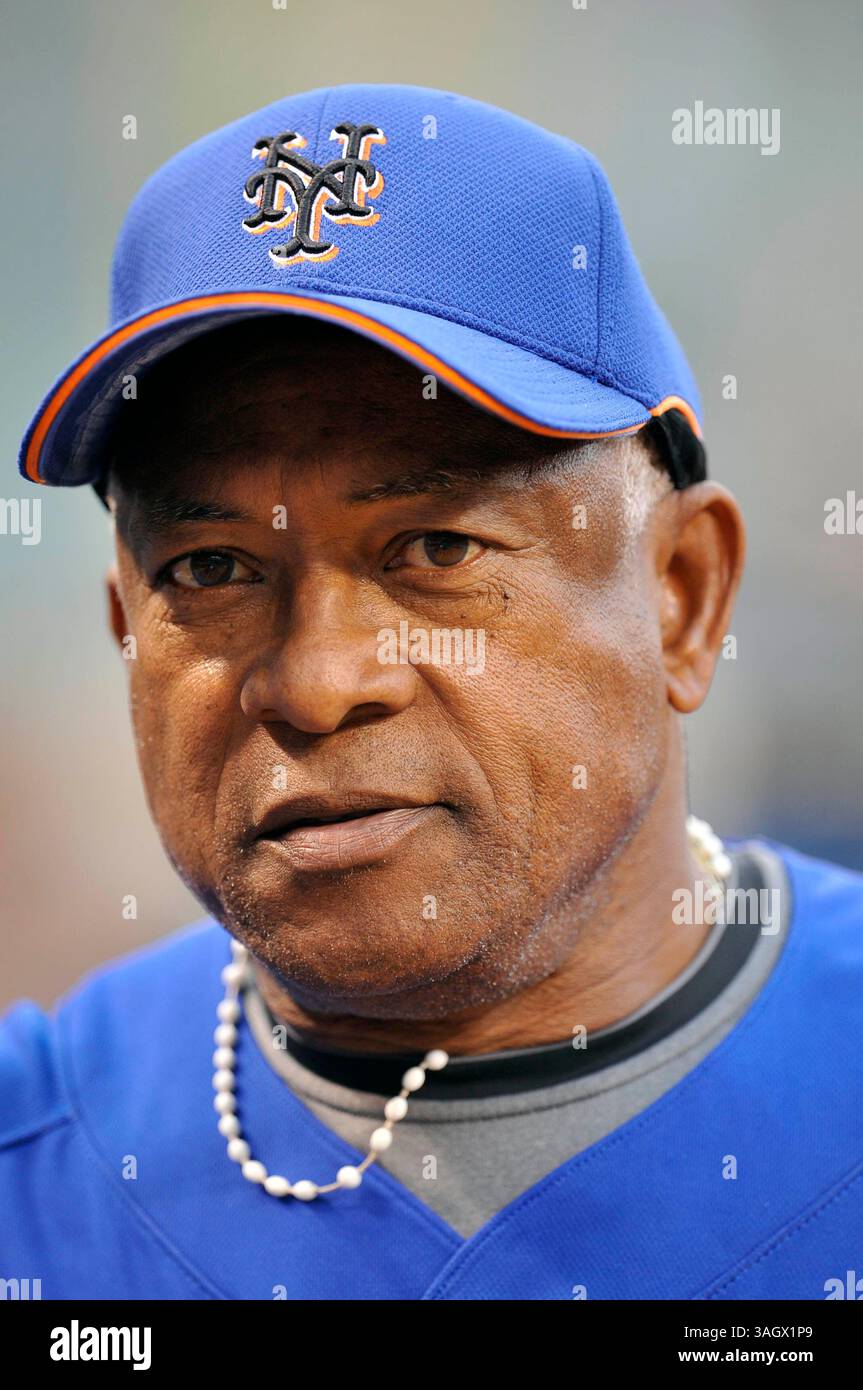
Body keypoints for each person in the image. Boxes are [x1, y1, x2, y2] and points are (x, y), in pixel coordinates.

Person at [3, 84, 861, 1302]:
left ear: (680, 595)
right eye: (211, 568)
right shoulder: (35, 1169)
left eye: (436, 548)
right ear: (126, 630)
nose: (314, 685)